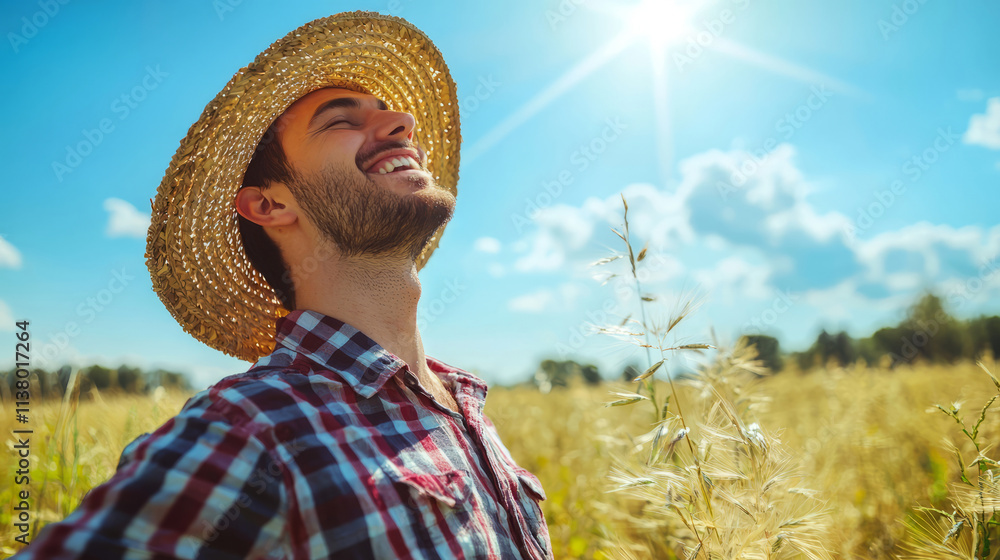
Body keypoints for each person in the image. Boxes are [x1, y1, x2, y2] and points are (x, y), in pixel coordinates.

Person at [13, 11, 552, 560]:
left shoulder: (464, 407)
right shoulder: (253, 427)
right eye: (341, 121)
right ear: (270, 204)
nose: (402, 123)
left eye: (390, 113)